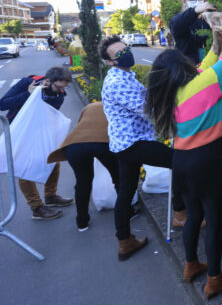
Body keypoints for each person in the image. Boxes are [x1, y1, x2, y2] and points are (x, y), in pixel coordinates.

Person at [146, 21, 222, 298]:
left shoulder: (172, 93)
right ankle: (214, 279)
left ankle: (191, 265)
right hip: (208, 160)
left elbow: (206, 68)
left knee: (193, 216)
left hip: (182, 163)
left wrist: (214, 43)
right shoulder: (204, 83)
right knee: (213, 220)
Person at [99, 35, 186, 260]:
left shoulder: (124, 75)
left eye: (125, 48)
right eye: (118, 53)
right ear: (109, 62)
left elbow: (147, 97)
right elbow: (148, 109)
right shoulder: (117, 82)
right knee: (180, 161)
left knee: (126, 192)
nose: (125, 53)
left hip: (125, 142)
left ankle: (125, 242)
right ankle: (180, 213)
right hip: (133, 143)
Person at [47, 102, 138, 232]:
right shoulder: (117, 106)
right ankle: (128, 212)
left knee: (83, 183)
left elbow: (81, 124)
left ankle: (82, 222)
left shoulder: (89, 107)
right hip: (103, 143)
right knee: (118, 177)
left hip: (75, 146)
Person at [0, 67, 74, 220]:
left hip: (39, 131)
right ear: (47, 81)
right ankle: (36, 207)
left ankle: (51, 196)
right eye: (58, 87)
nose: (60, 91)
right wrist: (28, 94)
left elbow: (48, 115)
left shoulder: (59, 95)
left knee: (53, 161)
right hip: (18, 132)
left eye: (63, 88)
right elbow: (3, 104)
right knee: (25, 167)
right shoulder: (25, 83)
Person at [169, 0, 215, 65]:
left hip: (208, 66)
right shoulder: (179, 19)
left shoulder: (208, 19)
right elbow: (176, 24)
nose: (197, 1)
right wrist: (195, 10)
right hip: (187, 67)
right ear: (184, 2)